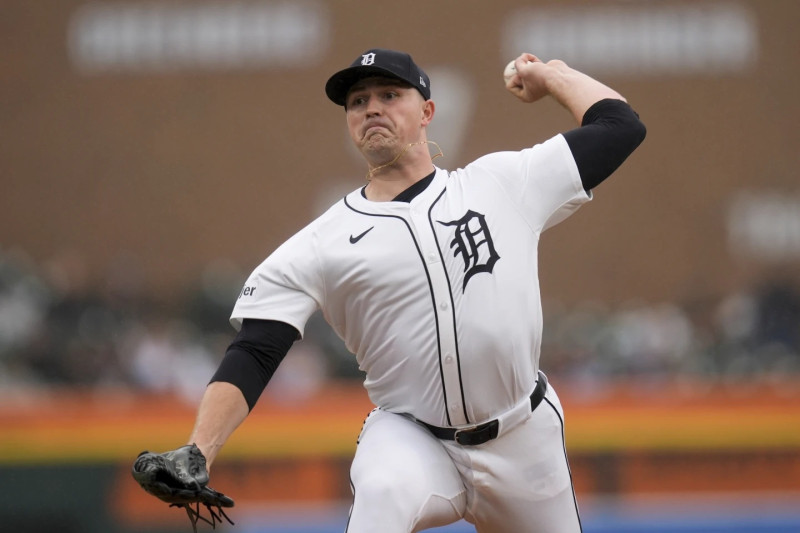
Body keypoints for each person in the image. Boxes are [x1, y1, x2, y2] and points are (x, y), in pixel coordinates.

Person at [185, 48, 646, 532]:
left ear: (427, 112)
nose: (372, 108)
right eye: (358, 101)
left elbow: (620, 126)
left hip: (523, 436)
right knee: (380, 498)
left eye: (389, 94)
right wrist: (199, 449)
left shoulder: (500, 185)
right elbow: (255, 350)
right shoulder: (320, 243)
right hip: (412, 439)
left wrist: (553, 76)